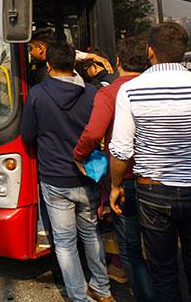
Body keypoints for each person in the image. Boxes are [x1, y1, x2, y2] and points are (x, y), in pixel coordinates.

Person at [109, 22, 191, 302]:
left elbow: (120, 150)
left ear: (150, 51)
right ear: (182, 52)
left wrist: (115, 186)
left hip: (152, 192)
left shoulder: (131, 90)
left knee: (163, 271)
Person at [20, 41, 111, 302]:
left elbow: (28, 135)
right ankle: (102, 289)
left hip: (55, 179)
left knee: (65, 242)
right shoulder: (91, 93)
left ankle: (78, 296)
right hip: (87, 176)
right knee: (91, 235)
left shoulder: (37, 94)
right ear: (74, 64)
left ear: (48, 65)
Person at [72, 36, 153, 301]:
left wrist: (79, 155)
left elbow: (94, 132)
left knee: (130, 249)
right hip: (160, 180)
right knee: (158, 246)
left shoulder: (109, 92)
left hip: (127, 179)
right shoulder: (158, 86)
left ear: (118, 62)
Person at [28, 28, 114, 86]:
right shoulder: (88, 87)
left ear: (40, 48)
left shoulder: (44, 75)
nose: (30, 53)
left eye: (30, 48)